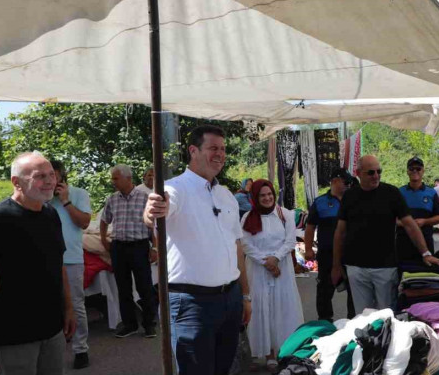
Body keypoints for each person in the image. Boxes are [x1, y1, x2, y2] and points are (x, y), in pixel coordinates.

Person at [143, 125, 252, 375]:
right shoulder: (174, 189)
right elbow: (156, 211)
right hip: (190, 303)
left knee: (224, 369)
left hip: (230, 299)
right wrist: (152, 211)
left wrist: (245, 296)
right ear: (193, 150)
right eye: (213, 148)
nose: (220, 154)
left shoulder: (226, 196)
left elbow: (237, 248)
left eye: (223, 149)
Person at [0, 152, 74, 375]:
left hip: (52, 328)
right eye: (40, 176)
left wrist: (69, 308)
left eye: (51, 174)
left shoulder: (51, 214)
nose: (51, 180)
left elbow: (58, 263)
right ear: (17, 182)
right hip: (13, 335)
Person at [331, 155, 439, 311]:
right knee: (362, 317)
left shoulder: (391, 193)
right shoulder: (350, 196)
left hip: (384, 268)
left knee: (387, 315)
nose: (376, 176)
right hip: (356, 268)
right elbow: (340, 232)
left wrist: (426, 253)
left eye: (379, 171)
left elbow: (410, 225)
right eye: (371, 172)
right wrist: (336, 265)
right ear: (358, 173)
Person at [240, 180, 304, 371]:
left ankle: (282, 352)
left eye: (270, 194)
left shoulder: (285, 215)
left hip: (281, 270)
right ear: (255, 198)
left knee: (281, 309)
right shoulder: (247, 218)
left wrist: (275, 259)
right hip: (258, 271)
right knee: (261, 309)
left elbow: (290, 240)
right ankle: (266, 353)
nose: (267, 198)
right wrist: (265, 261)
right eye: (262, 195)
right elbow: (244, 244)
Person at [100, 164, 157, 339]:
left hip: (139, 246)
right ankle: (129, 324)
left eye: (116, 178)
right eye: (113, 178)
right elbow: (104, 220)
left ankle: (149, 325)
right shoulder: (112, 199)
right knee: (123, 288)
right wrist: (104, 239)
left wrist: (155, 247)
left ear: (128, 178)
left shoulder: (144, 198)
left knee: (144, 287)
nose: (113, 182)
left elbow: (155, 225)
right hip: (119, 248)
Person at [49, 160, 92, 370]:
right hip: (46, 259)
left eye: (54, 175)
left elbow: (84, 222)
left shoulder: (78, 194)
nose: (50, 180)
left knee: (75, 304)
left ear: (62, 176)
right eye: (46, 176)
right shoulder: (40, 198)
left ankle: (80, 349)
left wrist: (65, 202)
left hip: (71, 258)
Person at [303, 168, 355, 322]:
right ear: (334, 181)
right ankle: (325, 320)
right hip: (327, 254)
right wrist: (307, 250)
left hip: (350, 253)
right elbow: (310, 227)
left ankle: (353, 320)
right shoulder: (320, 202)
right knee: (325, 288)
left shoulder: (352, 199)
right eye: (345, 181)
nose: (348, 184)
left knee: (353, 288)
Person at [397, 157, 439, 264]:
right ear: (407, 171)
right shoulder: (400, 192)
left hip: (426, 243)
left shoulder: (431, 193)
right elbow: (392, 219)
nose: (415, 171)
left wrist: (424, 221)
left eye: (418, 169)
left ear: (423, 171)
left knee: (426, 276)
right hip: (403, 244)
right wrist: (406, 224)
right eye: (411, 168)